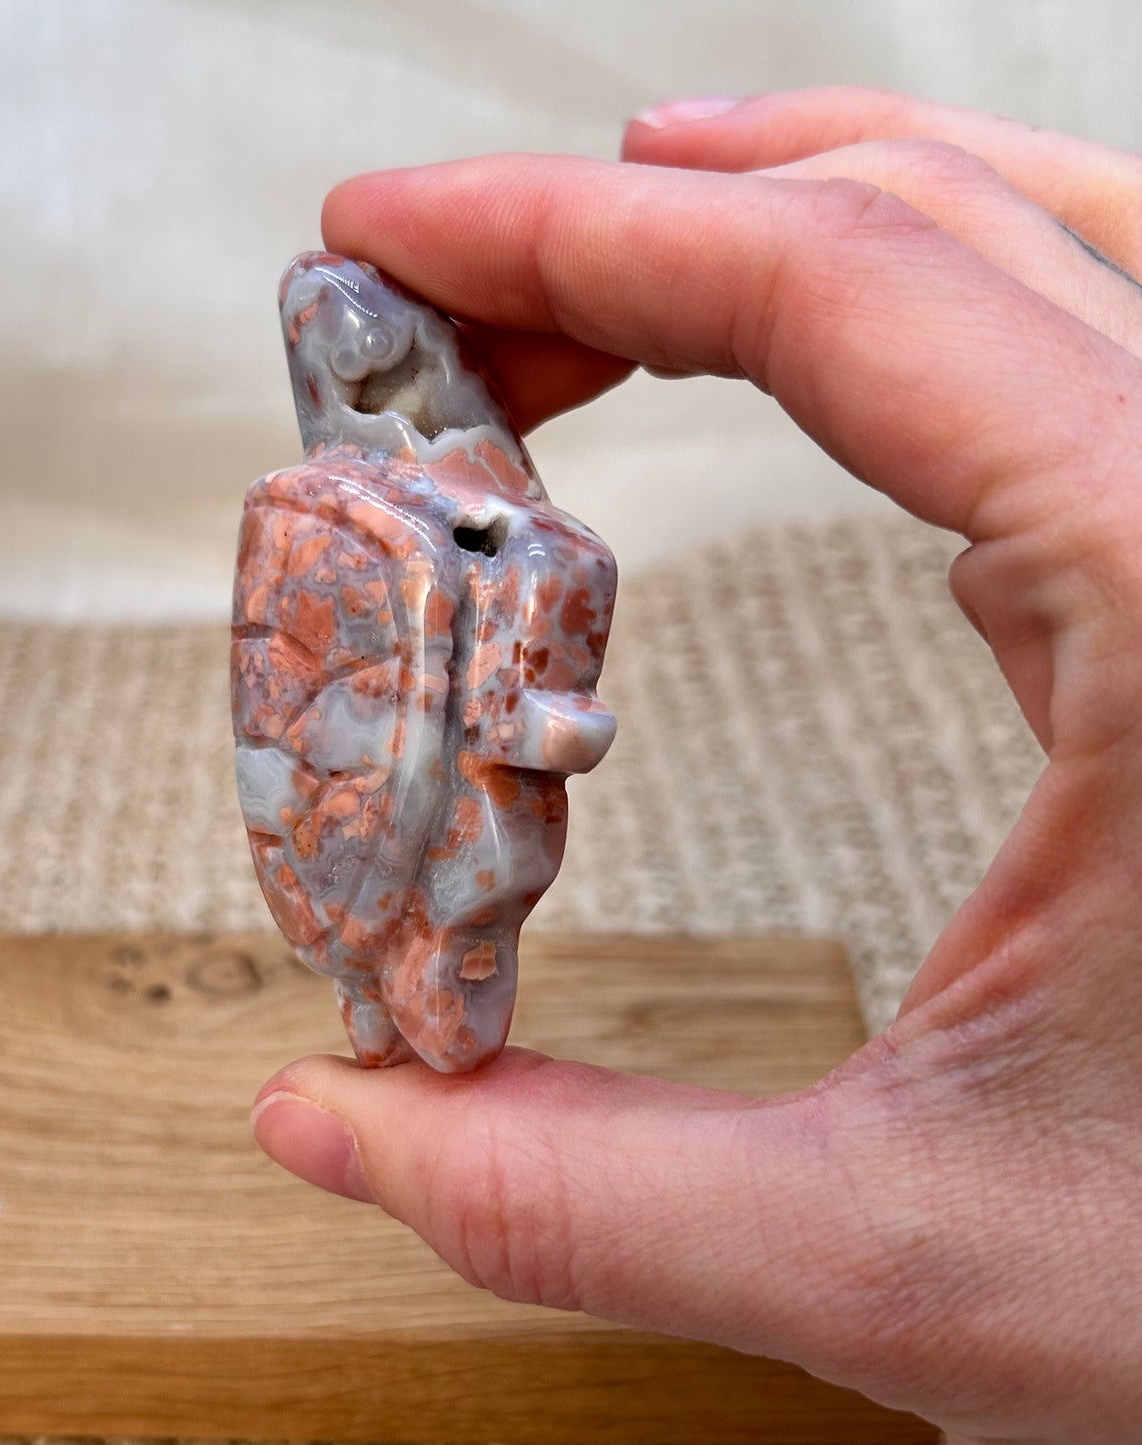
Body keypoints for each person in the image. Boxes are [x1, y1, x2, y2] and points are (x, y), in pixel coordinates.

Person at [249, 87, 1142, 1444]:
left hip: (408, 780)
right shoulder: (367, 520)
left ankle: (390, 965)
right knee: (413, 941)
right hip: (382, 785)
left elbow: (536, 598)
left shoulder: (470, 530)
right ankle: (389, 964)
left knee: (423, 937)